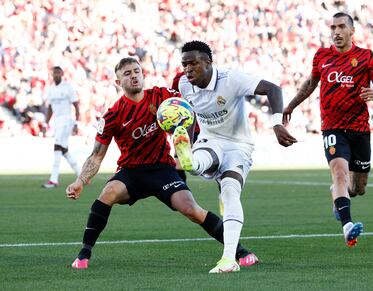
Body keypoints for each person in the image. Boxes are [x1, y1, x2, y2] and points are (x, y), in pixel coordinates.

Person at [66, 57, 258, 270]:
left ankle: (239, 251)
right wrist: (80, 181)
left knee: (191, 209)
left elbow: (191, 106)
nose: (134, 76)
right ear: (118, 83)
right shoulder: (113, 115)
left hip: (162, 169)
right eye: (127, 73)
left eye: (136, 71)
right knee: (108, 193)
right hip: (131, 172)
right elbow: (96, 155)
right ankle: (84, 254)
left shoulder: (162, 97)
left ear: (143, 74)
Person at [173, 41, 297, 273]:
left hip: (238, 146)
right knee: (203, 158)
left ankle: (228, 259)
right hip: (209, 141)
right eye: (184, 64)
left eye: (193, 63)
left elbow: (273, 89)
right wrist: (186, 143)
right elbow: (189, 115)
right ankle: (189, 158)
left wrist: (277, 124)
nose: (188, 69)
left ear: (208, 63)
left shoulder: (231, 79)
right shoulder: (184, 84)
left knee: (230, 191)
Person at [283, 12, 373, 247]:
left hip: (360, 129)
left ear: (352, 31)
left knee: (358, 188)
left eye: (341, 27)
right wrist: (291, 105)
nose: (336, 32)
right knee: (339, 173)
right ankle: (348, 227)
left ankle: (337, 194)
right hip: (332, 127)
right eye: (333, 27)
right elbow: (310, 84)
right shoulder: (322, 56)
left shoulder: (367, 57)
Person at [42, 66, 81, 188]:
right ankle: (82, 175)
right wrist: (45, 123)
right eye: (54, 73)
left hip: (66, 120)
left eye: (58, 72)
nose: (56, 74)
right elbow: (49, 108)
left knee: (57, 147)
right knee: (64, 150)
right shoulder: (51, 89)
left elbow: (76, 105)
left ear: (62, 73)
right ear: (52, 74)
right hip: (57, 121)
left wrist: (76, 123)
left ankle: (53, 180)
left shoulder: (68, 87)